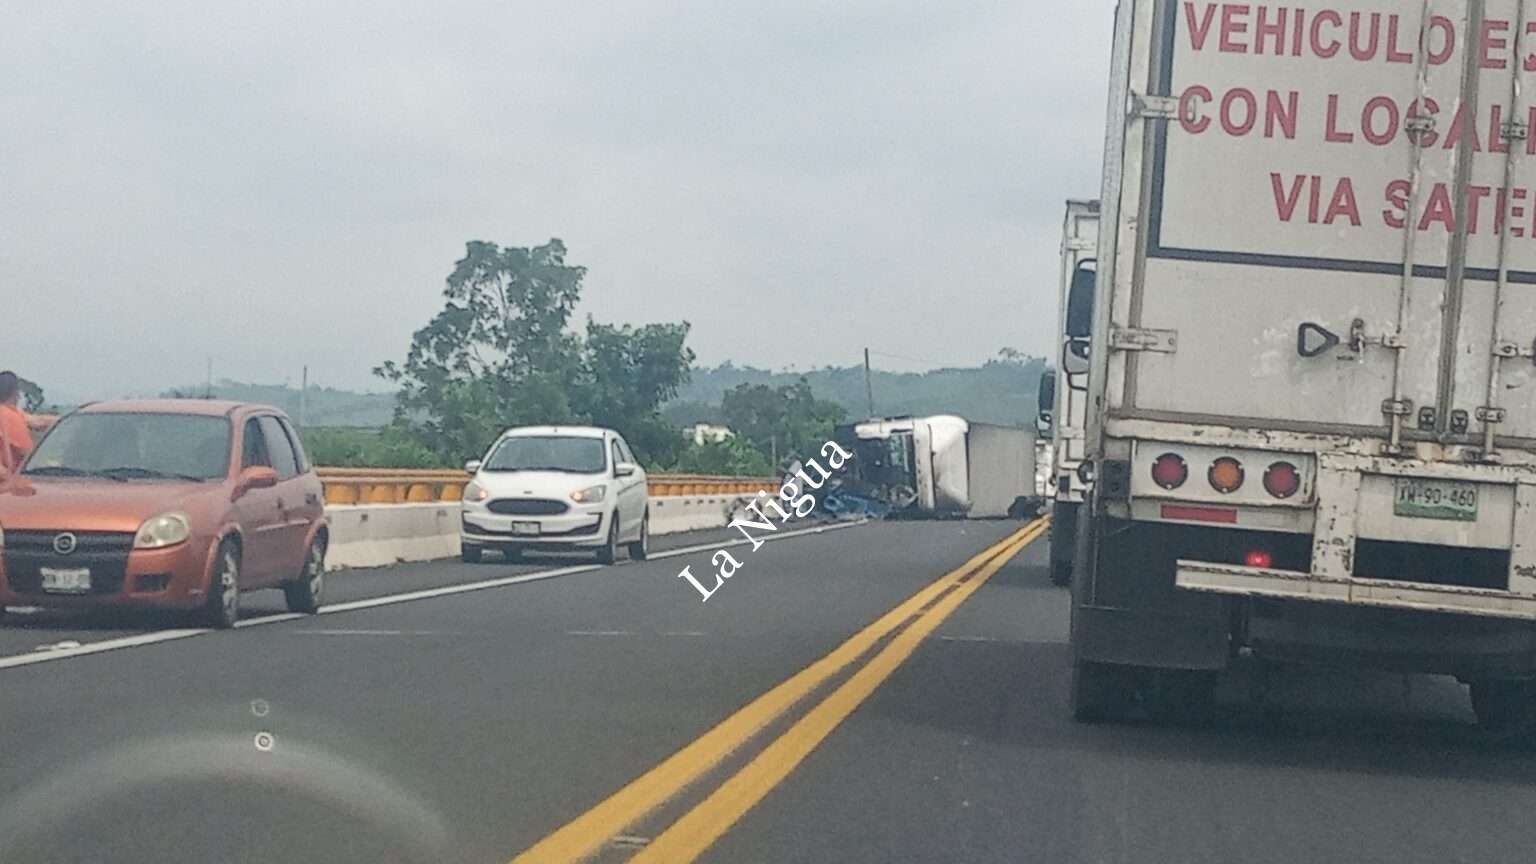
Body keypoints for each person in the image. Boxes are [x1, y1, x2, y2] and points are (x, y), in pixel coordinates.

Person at [0, 371, 35, 475]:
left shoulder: (13, 414)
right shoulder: (9, 417)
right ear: (15, 393)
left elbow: (37, 420)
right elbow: (28, 453)